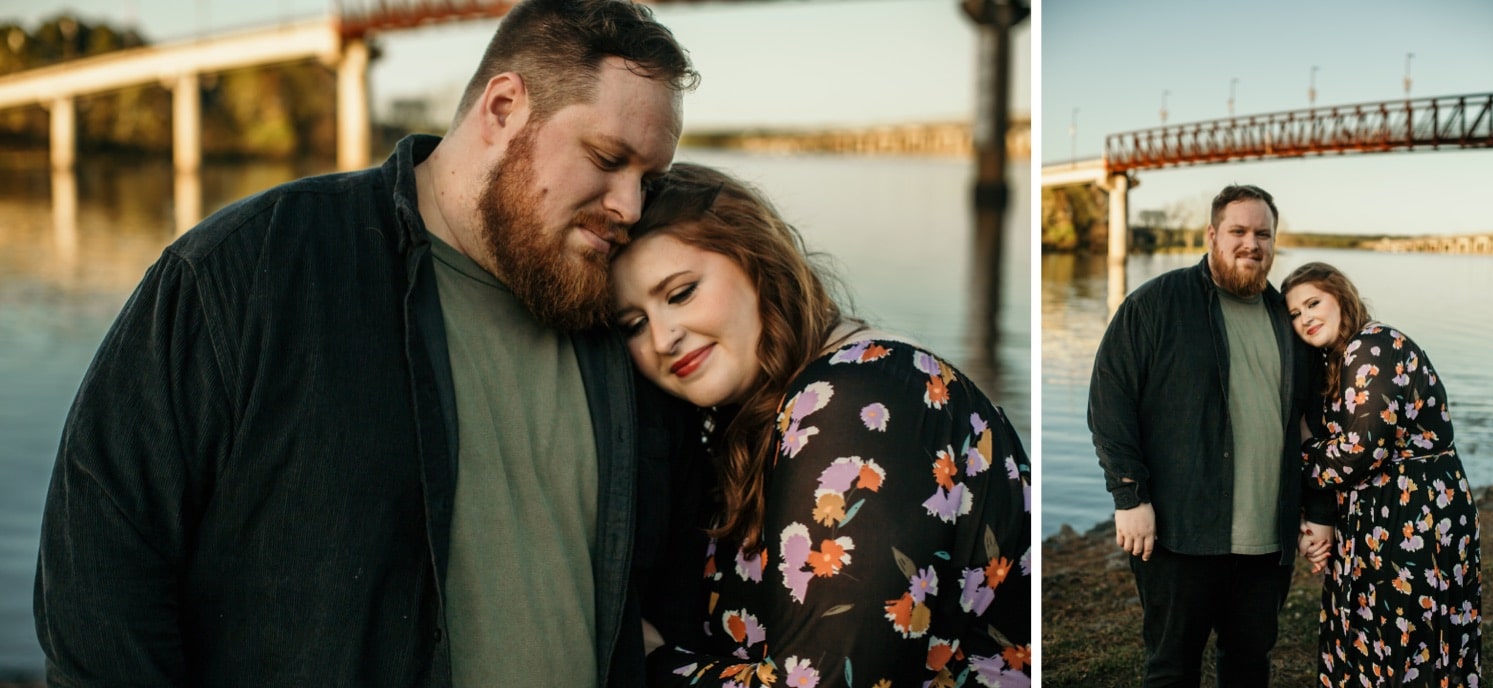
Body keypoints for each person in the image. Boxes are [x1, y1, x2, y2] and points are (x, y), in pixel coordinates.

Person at [33, 1, 699, 686]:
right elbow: (100, 587)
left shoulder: (627, 321)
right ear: (502, 109)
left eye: (649, 180)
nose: (631, 207)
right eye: (607, 158)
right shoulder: (251, 269)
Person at [611, 163, 1032, 687]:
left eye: (680, 293)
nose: (662, 337)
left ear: (756, 260)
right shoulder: (764, 419)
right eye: (633, 324)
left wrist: (650, 661)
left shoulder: (863, 398)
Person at [1087, 184, 1334, 687]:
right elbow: (1109, 402)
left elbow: (1315, 427)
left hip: (1268, 541)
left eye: (1263, 234)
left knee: (1249, 665)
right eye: (1239, 231)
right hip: (1179, 535)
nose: (1252, 244)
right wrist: (1130, 495)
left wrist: (1321, 513)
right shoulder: (1157, 303)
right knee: (1171, 667)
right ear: (1212, 235)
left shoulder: (1289, 322)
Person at [1281, 261, 1481, 687]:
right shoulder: (1340, 358)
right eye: (1295, 314)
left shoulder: (1374, 346)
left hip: (1417, 511)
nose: (1306, 319)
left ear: (1341, 296)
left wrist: (1300, 454)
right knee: (1371, 629)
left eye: (1314, 303)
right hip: (1376, 512)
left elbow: (1361, 451)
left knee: (1407, 632)